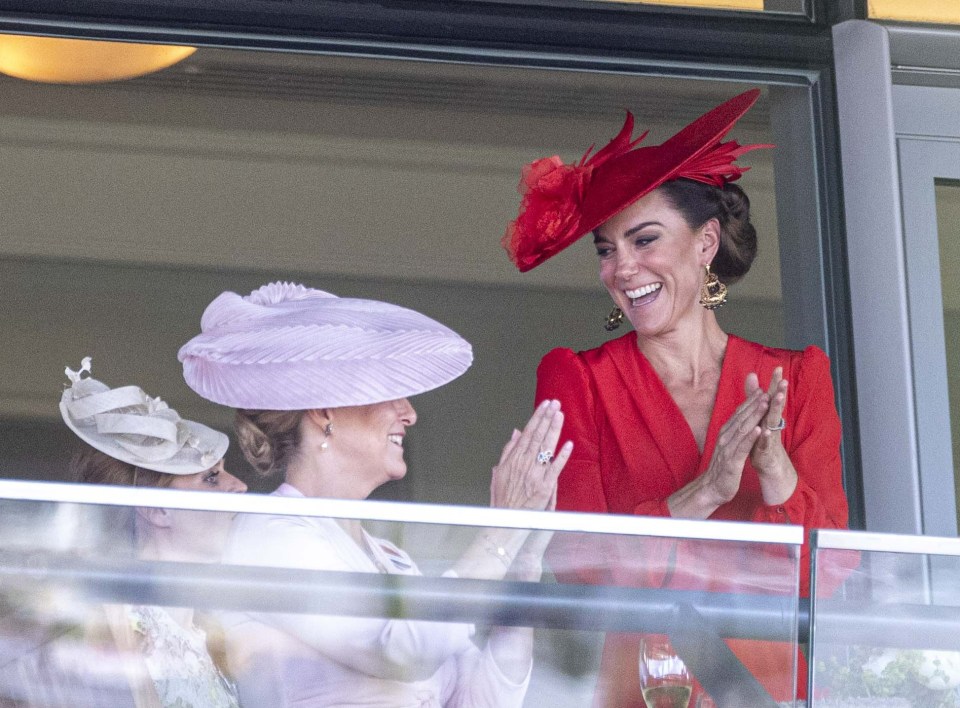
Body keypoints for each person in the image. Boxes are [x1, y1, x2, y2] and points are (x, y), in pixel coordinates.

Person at [501, 89, 849, 705]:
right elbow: (579, 565)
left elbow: (826, 577)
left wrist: (775, 473)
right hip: (636, 689)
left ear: (706, 243)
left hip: (767, 692)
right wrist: (705, 492)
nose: (621, 268)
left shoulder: (797, 379)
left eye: (644, 240)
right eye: (607, 250)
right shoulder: (575, 380)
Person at [178, 281, 572, 708]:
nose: (410, 413)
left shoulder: (388, 556)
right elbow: (403, 651)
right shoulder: (270, 533)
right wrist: (500, 532)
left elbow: (481, 700)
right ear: (325, 409)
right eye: (390, 392)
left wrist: (523, 564)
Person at [58, 357, 247, 708]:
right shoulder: (110, 626)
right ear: (157, 508)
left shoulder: (213, 634)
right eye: (212, 478)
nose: (240, 486)